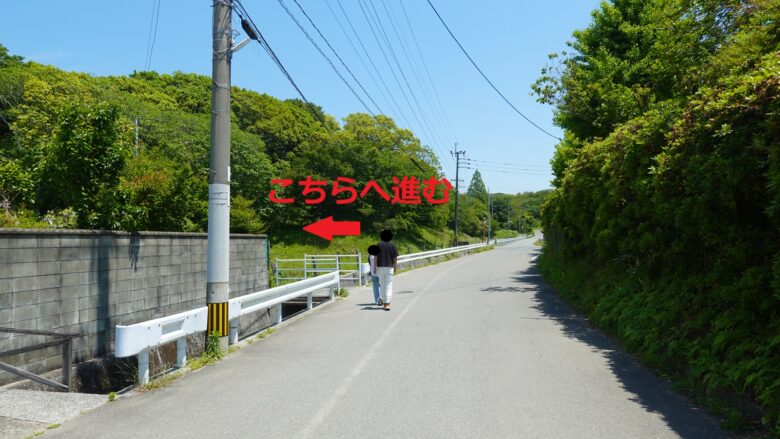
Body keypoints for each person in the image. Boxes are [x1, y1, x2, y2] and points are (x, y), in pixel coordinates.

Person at [375, 230, 398, 311]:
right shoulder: (392, 245)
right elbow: (395, 258)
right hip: (389, 267)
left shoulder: (378, 244)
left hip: (380, 267)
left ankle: (384, 301)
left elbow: (375, 257)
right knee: (388, 285)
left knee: (382, 285)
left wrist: (375, 267)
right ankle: (387, 303)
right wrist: (395, 267)